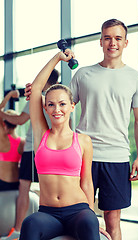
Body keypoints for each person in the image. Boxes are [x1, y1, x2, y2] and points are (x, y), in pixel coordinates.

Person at [68, 19, 138, 240]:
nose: (112, 42)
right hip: (84, 155)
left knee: (113, 221)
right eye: (108, 38)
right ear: (100, 41)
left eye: (118, 38)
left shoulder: (136, 79)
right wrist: (37, 93)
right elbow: (63, 106)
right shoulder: (83, 75)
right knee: (82, 217)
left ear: (126, 43)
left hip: (117, 156)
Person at [19, 51, 111, 240]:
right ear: (45, 108)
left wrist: (92, 217)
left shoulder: (83, 141)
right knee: (30, 223)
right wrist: (57, 58)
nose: (57, 109)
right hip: (48, 213)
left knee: (88, 222)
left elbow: (86, 182)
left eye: (62, 104)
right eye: (51, 105)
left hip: (78, 212)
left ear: (72, 106)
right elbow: (36, 89)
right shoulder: (41, 135)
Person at [0, 69, 60, 240]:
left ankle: (18, 230)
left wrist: (2, 113)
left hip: (34, 149)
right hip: (51, 147)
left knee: (24, 187)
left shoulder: (38, 95)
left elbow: (19, 120)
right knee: (49, 189)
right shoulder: (58, 98)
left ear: (46, 79)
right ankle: (49, 227)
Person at [0, 90, 25, 191]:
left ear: (4, 123)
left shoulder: (3, 139)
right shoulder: (23, 142)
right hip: (17, 182)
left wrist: (10, 95)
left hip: (2, 182)